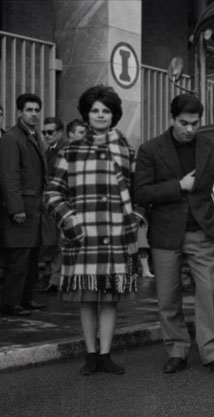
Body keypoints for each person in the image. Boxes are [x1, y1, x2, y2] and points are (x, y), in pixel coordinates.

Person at [134, 94, 214, 375]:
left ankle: (212, 352)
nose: (189, 129)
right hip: (165, 234)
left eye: (195, 123)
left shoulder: (213, 148)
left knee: (209, 293)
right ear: (172, 119)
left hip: (201, 230)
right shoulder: (151, 149)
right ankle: (177, 350)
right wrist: (178, 186)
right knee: (168, 297)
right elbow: (141, 192)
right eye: (183, 123)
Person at [45, 86, 142, 375]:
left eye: (106, 111)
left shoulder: (127, 151)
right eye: (95, 110)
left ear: (114, 115)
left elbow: (139, 191)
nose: (100, 115)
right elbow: (52, 194)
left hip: (116, 236)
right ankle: (90, 355)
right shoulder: (70, 151)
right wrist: (70, 221)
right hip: (82, 236)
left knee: (110, 298)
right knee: (87, 299)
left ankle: (106, 355)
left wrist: (135, 217)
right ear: (87, 115)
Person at [0, 93, 48, 316]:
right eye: (29, 110)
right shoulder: (12, 138)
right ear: (19, 112)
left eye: (37, 110)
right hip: (21, 208)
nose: (34, 114)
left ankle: (26, 299)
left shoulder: (34, 134)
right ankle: (11, 303)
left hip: (35, 208)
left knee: (31, 257)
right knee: (17, 258)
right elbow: (9, 176)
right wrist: (16, 207)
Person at [38, 117, 67, 293]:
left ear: (60, 132)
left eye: (51, 132)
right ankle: (51, 277)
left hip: (58, 201)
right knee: (50, 240)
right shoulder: (48, 150)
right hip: (48, 201)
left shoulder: (63, 150)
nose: (47, 135)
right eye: (44, 132)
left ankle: (55, 279)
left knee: (58, 242)